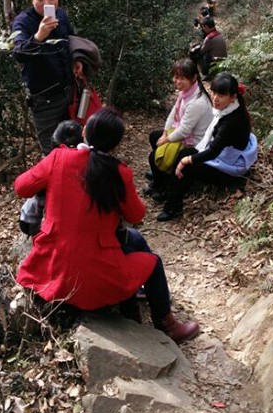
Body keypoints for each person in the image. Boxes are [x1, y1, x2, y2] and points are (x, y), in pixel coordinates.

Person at [14, 107, 199, 342]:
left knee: (135, 240)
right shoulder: (118, 172)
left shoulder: (59, 158)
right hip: (93, 274)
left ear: (84, 132)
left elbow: (21, 186)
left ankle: (134, 297)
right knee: (153, 262)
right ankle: (166, 323)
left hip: (51, 265)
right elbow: (136, 215)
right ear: (115, 144)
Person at [156, 72, 252, 222]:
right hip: (224, 155)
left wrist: (186, 161)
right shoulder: (230, 109)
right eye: (213, 92)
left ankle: (173, 206)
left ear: (233, 96)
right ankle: (169, 189)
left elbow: (213, 152)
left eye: (221, 95)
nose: (215, 98)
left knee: (186, 160)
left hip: (228, 169)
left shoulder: (231, 122)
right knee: (186, 153)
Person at [12, 0, 75, 154]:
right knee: (51, 151)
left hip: (69, 91)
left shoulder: (61, 15)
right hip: (44, 99)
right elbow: (18, 53)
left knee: (74, 143)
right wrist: (39, 36)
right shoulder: (23, 22)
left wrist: (77, 60)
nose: (47, 2)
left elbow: (72, 40)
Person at [144, 58, 213, 202]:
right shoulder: (186, 93)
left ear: (194, 78)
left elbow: (185, 130)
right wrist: (165, 132)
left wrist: (167, 139)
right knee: (155, 136)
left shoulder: (197, 102)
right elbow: (173, 113)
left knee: (153, 156)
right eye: (176, 77)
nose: (178, 81)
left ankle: (161, 186)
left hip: (194, 143)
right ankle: (163, 172)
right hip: (185, 135)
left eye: (182, 78)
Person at [18, 119, 83, 237]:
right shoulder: (101, 162)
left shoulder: (53, 162)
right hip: (95, 236)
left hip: (58, 237)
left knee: (40, 193)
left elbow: (21, 187)